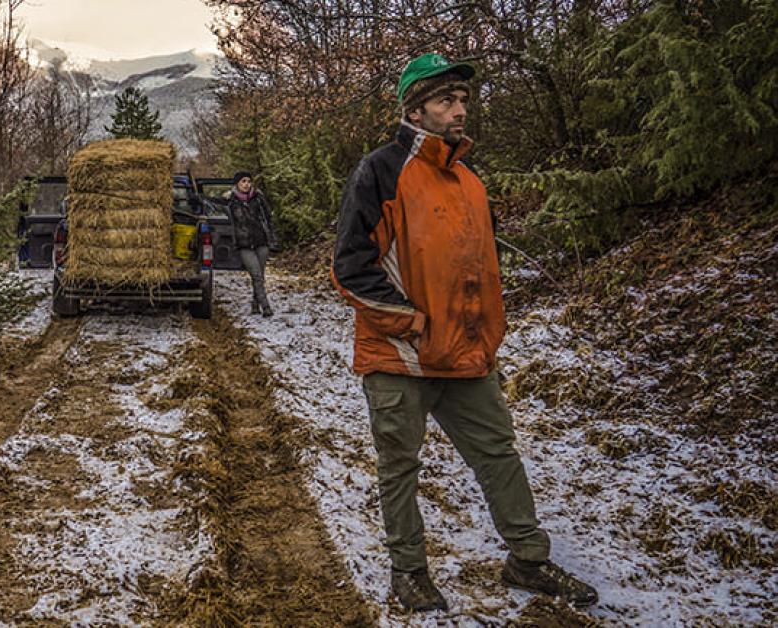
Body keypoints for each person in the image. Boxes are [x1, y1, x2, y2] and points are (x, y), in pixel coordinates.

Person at [330, 53, 598, 613]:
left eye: (463, 101)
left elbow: (478, 268)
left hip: (467, 355)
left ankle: (527, 558)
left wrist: (486, 334)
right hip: (401, 355)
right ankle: (409, 572)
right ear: (415, 107)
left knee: (498, 453)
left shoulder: (470, 181)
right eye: (446, 100)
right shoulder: (381, 170)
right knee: (400, 466)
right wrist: (413, 325)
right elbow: (351, 266)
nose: (459, 110)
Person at [224, 171, 278, 316]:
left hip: (261, 242)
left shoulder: (258, 198)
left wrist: (272, 239)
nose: (247, 184)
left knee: (260, 275)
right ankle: (266, 307)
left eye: (248, 181)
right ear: (237, 184)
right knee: (256, 275)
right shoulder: (231, 201)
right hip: (244, 244)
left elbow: (268, 218)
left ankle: (255, 304)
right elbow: (214, 206)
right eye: (243, 181)